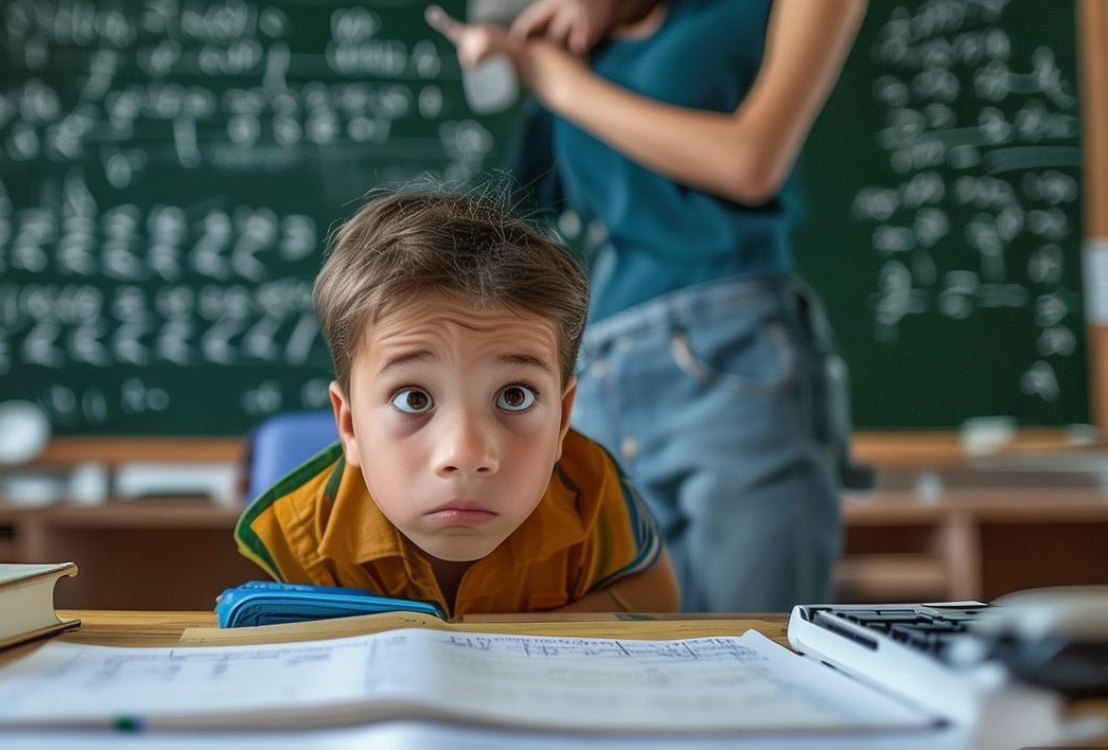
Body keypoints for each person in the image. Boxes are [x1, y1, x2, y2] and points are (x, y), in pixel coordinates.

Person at [428, 0, 866, 612]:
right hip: (600, 378)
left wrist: (561, 83)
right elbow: (528, 214)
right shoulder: (584, 45)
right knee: (630, 675)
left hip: (726, 358)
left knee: (759, 653)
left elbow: (752, 162)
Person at [235, 188, 680, 617]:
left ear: (562, 419)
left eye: (514, 396)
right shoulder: (302, 532)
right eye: (414, 398)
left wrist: (504, 640)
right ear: (348, 426)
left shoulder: (592, 490)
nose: (465, 455)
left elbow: (653, 596)